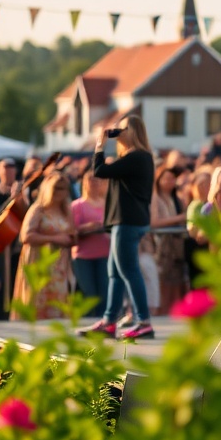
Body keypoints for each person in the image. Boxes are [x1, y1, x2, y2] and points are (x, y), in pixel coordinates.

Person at [78, 115, 156, 341]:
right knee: (115, 273)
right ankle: (109, 321)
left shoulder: (137, 156)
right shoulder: (138, 158)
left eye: (122, 129)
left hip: (128, 221)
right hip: (127, 221)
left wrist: (100, 145)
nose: (118, 133)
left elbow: (99, 171)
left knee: (128, 271)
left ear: (133, 131)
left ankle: (144, 322)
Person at [11, 171, 76, 320]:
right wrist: (54, 238)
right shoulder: (38, 209)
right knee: (37, 299)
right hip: (38, 260)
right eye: (56, 188)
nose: (60, 192)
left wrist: (72, 238)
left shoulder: (66, 210)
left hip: (59, 264)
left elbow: (71, 233)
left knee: (57, 302)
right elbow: (26, 236)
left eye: (63, 188)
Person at [71, 171, 110, 317]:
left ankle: (102, 319)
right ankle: (88, 319)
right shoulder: (77, 205)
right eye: (91, 180)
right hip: (83, 254)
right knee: (89, 292)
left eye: (97, 180)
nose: (94, 183)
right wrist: (87, 227)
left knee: (104, 291)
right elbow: (71, 228)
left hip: (104, 252)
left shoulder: (108, 204)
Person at [150, 165, 188, 315]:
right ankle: (161, 312)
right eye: (166, 178)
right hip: (161, 247)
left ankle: (174, 313)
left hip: (176, 246)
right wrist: (178, 218)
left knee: (177, 280)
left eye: (172, 178)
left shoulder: (177, 199)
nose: (169, 181)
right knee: (162, 280)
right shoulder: (155, 198)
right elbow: (154, 222)